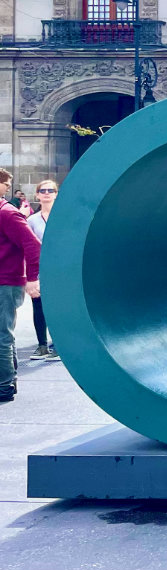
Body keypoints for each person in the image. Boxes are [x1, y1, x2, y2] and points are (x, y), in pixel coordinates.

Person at [0, 168, 41, 402]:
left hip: (6, 283)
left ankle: (4, 386)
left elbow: (33, 246)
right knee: (3, 334)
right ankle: (8, 381)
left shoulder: (8, 214)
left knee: (2, 336)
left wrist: (33, 278)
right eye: (6, 183)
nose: (8, 187)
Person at [24, 179, 58, 360]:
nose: (46, 193)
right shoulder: (31, 220)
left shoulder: (62, 218)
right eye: (43, 190)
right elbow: (27, 247)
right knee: (39, 306)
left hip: (60, 270)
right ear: (37, 195)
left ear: (56, 194)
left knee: (58, 307)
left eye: (50, 190)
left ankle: (58, 345)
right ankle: (42, 345)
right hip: (39, 269)